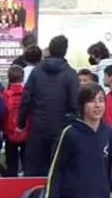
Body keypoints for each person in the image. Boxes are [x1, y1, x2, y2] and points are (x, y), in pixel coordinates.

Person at [20, 34, 80, 176]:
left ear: (50, 50)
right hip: (60, 128)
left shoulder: (37, 71)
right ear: (65, 51)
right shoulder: (70, 74)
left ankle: (32, 197)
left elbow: (26, 98)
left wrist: (21, 122)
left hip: (37, 126)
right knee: (57, 170)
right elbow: (74, 103)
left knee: (33, 169)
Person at [0, 63, 28, 175]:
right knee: (26, 161)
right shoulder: (26, 93)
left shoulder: (5, 94)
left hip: (9, 132)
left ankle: (12, 182)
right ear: (22, 77)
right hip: (25, 131)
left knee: (11, 162)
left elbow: (2, 113)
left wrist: (4, 129)